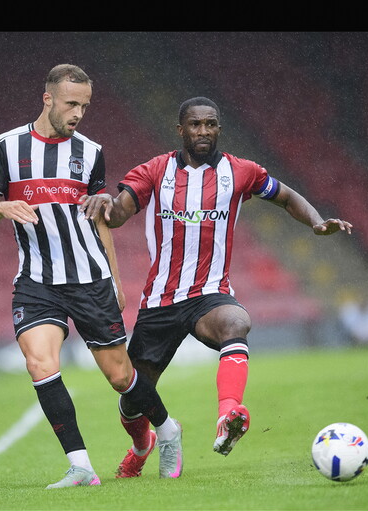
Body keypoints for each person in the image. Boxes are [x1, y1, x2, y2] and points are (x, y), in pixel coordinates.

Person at [79, 96, 353, 477]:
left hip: (209, 294)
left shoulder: (241, 172)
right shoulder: (155, 170)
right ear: (181, 130)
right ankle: (144, 445)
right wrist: (107, 202)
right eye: (195, 124)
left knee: (236, 323)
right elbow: (121, 212)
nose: (203, 131)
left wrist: (317, 222)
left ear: (219, 128)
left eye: (210, 124)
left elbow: (286, 196)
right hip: (160, 300)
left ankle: (229, 414)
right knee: (131, 399)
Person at [0, 64, 183, 488]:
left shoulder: (90, 151)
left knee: (120, 377)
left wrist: (117, 281)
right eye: (71, 104)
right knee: (40, 363)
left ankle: (168, 429)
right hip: (36, 280)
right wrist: (1, 208)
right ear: (47, 98)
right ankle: (82, 466)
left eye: (84, 106)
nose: (78, 113)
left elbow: (100, 219)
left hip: (90, 279)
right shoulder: (6, 147)